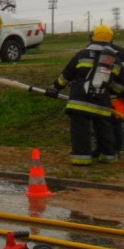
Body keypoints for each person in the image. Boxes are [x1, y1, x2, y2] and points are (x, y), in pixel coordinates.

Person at [51, 25, 123, 165]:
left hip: (79, 100)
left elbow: (66, 76)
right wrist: (113, 92)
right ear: (111, 40)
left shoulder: (81, 54)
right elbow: (120, 84)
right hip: (101, 101)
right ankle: (108, 156)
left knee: (80, 131)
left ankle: (81, 159)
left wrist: (55, 88)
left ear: (93, 37)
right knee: (104, 128)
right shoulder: (114, 59)